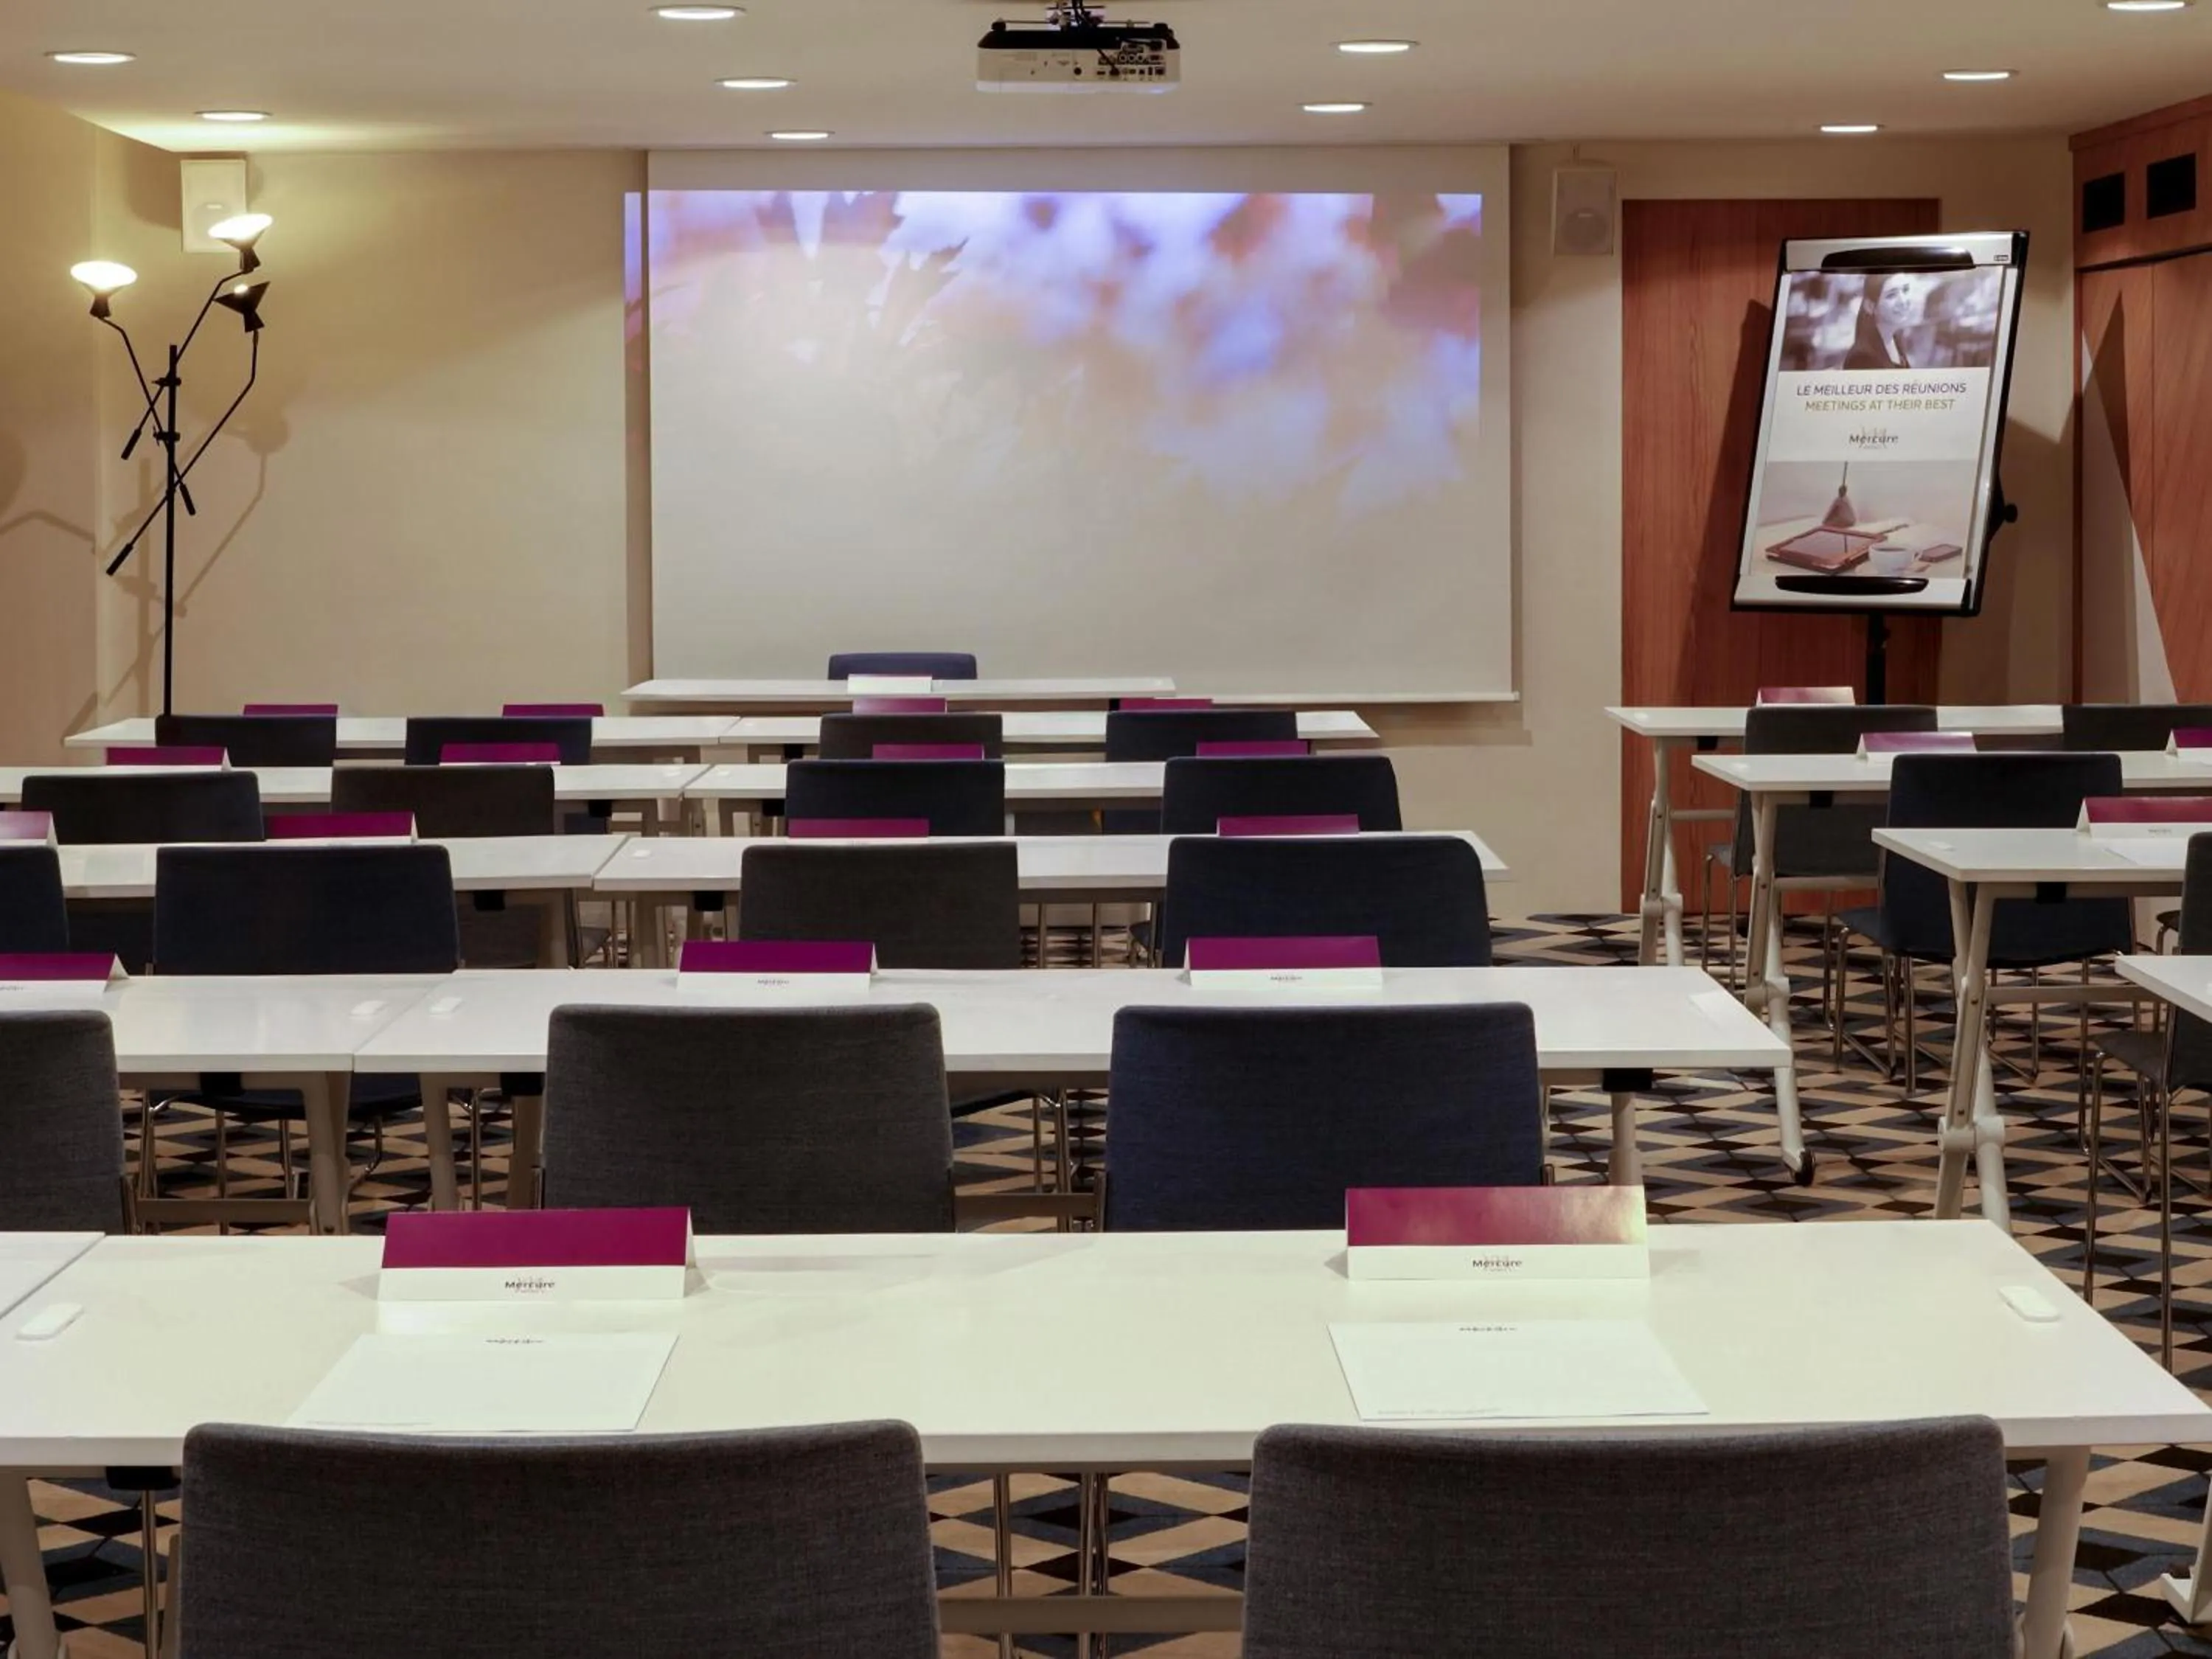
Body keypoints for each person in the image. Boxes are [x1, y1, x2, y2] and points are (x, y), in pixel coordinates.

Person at [1844, 273, 1916, 369]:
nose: (1903, 301)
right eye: (1891, 296)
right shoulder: (1862, 357)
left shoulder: (1895, 336)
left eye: (1905, 290)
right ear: (1870, 306)